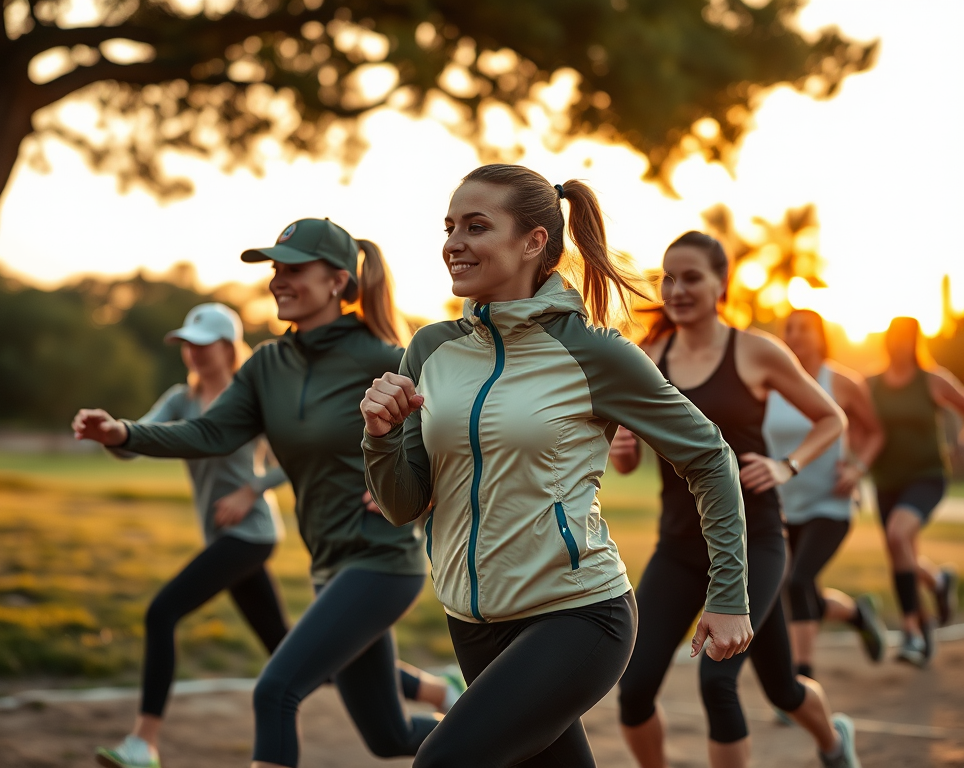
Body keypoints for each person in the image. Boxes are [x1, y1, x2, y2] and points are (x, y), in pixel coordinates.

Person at [361, 165, 754, 768]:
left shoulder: (593, 351)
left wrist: (727, 595)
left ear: (534, 241)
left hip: (578, 615)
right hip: (472, 621)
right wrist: (381, 437)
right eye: (449, 227)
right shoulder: (431, 349)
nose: (453, 242)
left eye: (476, 226)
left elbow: (709, 457)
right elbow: (404, 505)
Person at [73, 219, 451, 768]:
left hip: (382, 561)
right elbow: (210, 432)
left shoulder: (382, 355)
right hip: (328, 565)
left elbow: (448, 433)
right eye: (276, 268)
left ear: (337, 281)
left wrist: (424, 487)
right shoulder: (267, 366)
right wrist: (123, 433)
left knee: (275, 691)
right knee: (388, 736)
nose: (279, 279)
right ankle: (508, 745)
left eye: (294, 269)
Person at [613, 232, 859, 768]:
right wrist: (623, 448)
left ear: (721, 283)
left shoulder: (755, 351)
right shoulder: (649, 358)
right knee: (633, 692)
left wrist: (785, 465)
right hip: (679, 547)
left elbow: (831, 418)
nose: (677, 290)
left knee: (725, 683)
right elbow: (628, 460)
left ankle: (834, 745)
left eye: (692, 277)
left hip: (755, 544)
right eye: (668, 278)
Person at [90, 303, 291, 768]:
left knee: (162, 612)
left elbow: (290, 462)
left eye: (203, 345)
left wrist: (250, 490)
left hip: (252, 533)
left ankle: (143, 744)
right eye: (187, 345)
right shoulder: (181, 398)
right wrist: (111, 434)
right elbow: (137, 441)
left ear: (227, 348)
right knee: (288, 649)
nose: (193, 354)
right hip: (221, 538)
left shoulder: (252, 398)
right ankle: (431, 687)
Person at [763, 308, 887, 678]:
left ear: (821, 335)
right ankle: (856, 613)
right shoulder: (770, 383)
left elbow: (873, 431)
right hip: (785, 506)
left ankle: (801, 677)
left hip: (830, 503)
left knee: (797, 582)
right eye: (790, 329)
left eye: (805, 329)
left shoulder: (843, 383)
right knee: (795, 588)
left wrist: (858, 467)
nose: (796, 335)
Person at [868, 316, 964, 666]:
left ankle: (909, 633)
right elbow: (858, 422)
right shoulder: (872, 384)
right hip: (885, 479)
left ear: (915, 341)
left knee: (897, 534)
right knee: (901, 553)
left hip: (927, 476)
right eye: (894, 337)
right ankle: (937, 587)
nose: (899, 344)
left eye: (906, 338)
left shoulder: (932, 380)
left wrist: (960, 443)